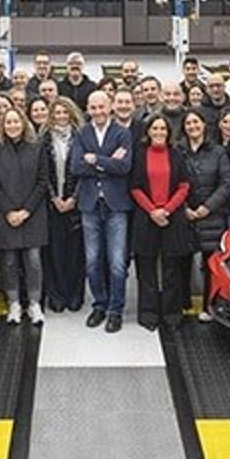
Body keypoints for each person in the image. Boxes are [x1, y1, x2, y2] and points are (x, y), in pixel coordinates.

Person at [69, 90, 134, 333]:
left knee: (117, 262)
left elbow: (124, 166)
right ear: (88, 109)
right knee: (92, 261)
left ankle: (115, 310)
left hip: (116, 205)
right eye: (93, 107)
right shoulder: (82, 133)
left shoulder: (122, 133)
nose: (98, 111)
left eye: (102, 107)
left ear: (110, 107)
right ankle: (99, 305)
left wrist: (95, 159)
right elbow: (76, 166)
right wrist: (108, 162)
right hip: (89, 205)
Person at [129, 115, 191, 332]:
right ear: (148, 131)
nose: (159, 132)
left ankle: (172, 314)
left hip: (171, 217)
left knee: (171, 269)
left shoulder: (176, 154)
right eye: (154, 128)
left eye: (163, 128)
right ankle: (148, 313)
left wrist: (167, 210)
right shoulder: (139, 154)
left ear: (169, 132)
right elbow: (135, 187)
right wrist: (152, 211)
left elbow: (184, 186)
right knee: (146, 268)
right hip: (146, 217)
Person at [0, 107, 49, 324]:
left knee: (33, 261)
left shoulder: (37, 147)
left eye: (16, 121)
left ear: (23, 123)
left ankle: (34, 303)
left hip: (32, 213)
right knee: (9, 262)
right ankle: (14, 303)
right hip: (5, 214)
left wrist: (26, 211)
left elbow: (42, 182)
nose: (12, 126)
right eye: (8, 122)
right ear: (2, 126)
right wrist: (9, 211)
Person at [180, 108, 230, 323]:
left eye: (196, 122)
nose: (192, 126)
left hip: (211, 215)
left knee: (209, 264)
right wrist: (184, 207)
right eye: (188, 123)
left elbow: (226, 182)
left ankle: (207, 306)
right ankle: (184, 304)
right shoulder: (179, 151)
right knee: (183, 262)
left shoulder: (218, 152)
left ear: (204, 125)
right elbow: (173, 181)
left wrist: (208, 207)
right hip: (185, 215)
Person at [43, 96, 84, 313]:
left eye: (65, 112)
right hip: (53, 204)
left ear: (71, 113)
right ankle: (57, 295)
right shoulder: (43, 139)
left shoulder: (81, 137)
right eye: (57, 113)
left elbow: (85, 172)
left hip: (75, 203)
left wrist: (73, 199)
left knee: (76, 252)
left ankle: (75, 294)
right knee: (55, 252)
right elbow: (42, 173)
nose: (61, 116)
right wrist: (54, 198)